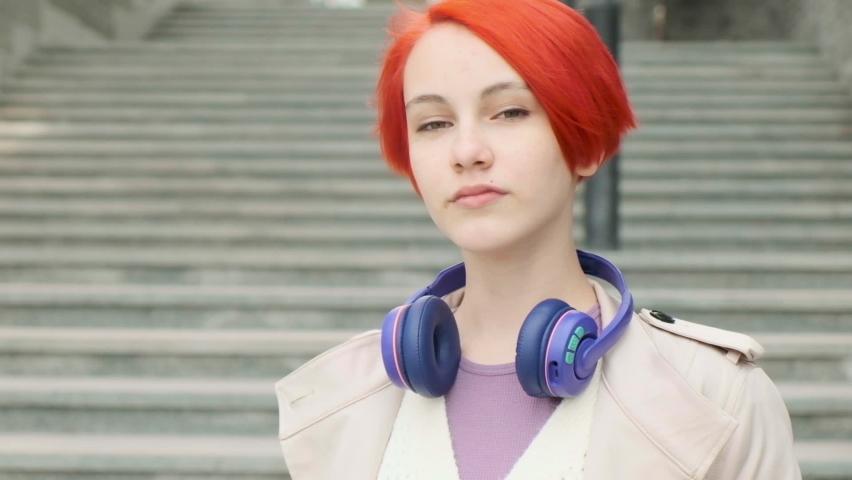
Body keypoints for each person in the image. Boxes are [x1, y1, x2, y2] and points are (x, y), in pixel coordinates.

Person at [274, 0, 801, 478]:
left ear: (585, 145)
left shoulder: (719, 397)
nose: (467, 150)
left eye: (509, 111)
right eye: (433, 123)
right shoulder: (342, 404)